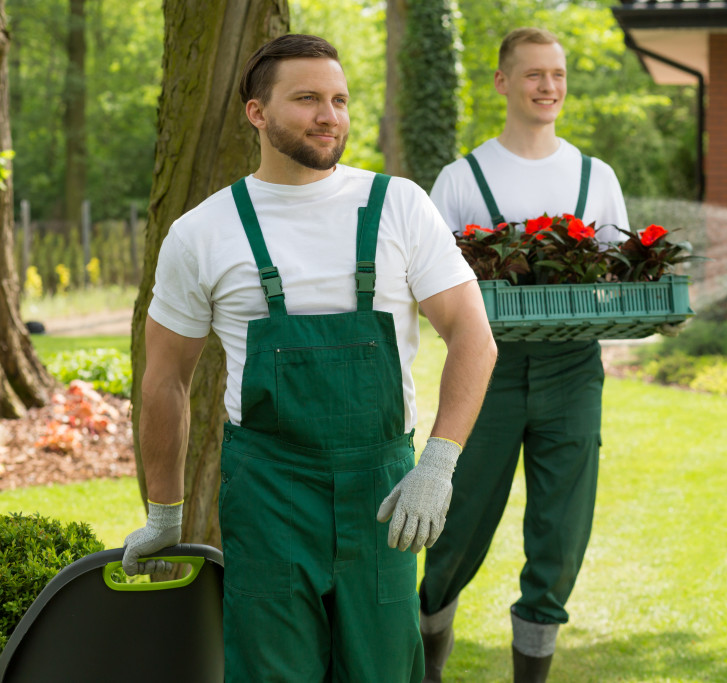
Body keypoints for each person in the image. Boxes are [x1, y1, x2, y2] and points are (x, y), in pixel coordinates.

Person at [120, 34, 496, 682]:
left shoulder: (399, 206)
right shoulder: (202, 232)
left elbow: (472, 333)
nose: (330, 115)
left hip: (382, 491)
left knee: (382, 670)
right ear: (257, 113)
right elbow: (165, 379)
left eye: (340, 99)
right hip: (268, 493)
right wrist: (163, 510)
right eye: (307, 99)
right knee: (272, 671)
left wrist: (439, 462)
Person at [419, 27, 629, 683]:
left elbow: (622, 274)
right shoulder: (459, 180)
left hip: (574, 371)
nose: (549, 87)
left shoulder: (596, 177)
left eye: (558, 75)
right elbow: (424, 285)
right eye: (534, 74)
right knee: (455, 532)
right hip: (486, 370)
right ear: (503, 83)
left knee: (561, 538)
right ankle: (424, 654)